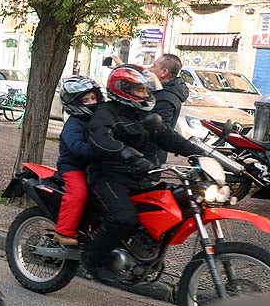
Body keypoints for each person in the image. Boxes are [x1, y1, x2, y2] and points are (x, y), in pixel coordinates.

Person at [85, 64, 204, 284]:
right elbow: (101, 138)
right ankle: (94, 262)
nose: (146, 94)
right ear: (123, 89)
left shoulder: (143, 113)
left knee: (171, 203)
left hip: (139, 177)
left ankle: (139, 252)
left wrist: (202, 153)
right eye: (140, 90)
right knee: (123, 217)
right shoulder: (107, 112)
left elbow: (168, 137)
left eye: (147, 90)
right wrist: (129, 154)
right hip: (108, 176)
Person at [53, 76, 103, 246]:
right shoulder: (73, 124)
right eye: (85, 100)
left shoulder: (99, 120)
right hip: (73, 166)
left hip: (94, 167)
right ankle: (63, 231)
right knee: (78, 193)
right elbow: (76, 146)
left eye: (93, 98)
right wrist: (98, 151)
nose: (91, 102)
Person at [148, 54, 188, 165]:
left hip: (148, 159)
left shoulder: (165, 98)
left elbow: (159, 132)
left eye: (154, 65)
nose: (150, 69)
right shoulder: (162, 91)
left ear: (164, 72)